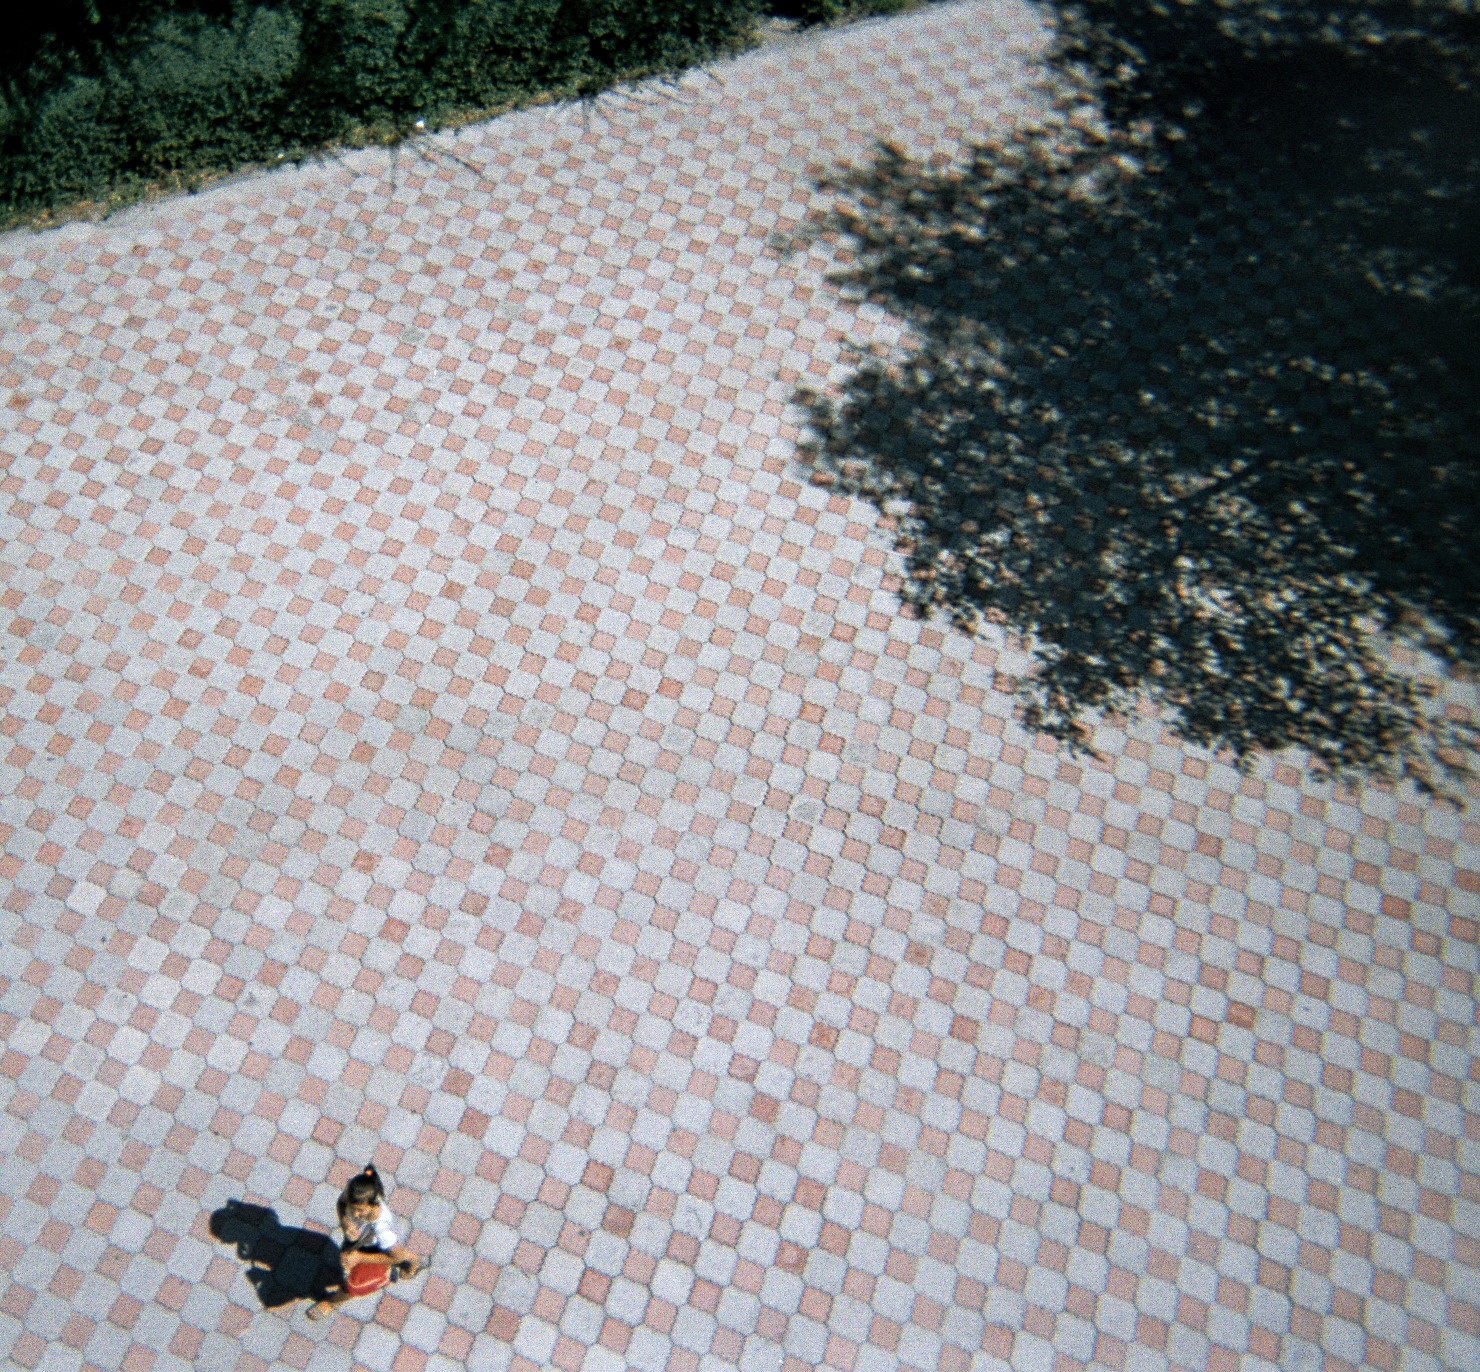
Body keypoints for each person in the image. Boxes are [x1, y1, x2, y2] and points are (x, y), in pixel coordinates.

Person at [307, 1164, 422, 1320]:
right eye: (352, 1208)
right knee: (349, 1264)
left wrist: (359, 1258)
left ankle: (332, 1302)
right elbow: (341, 1203)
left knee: (354, 1284)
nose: (355, 1213)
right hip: (358, 1241)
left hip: (374, 1251)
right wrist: (345, 1222)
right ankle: (414, 1262)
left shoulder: (382, 1229)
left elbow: (396, 1257)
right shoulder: (353, 1195)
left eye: (360, 1210)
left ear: (374, 1205)